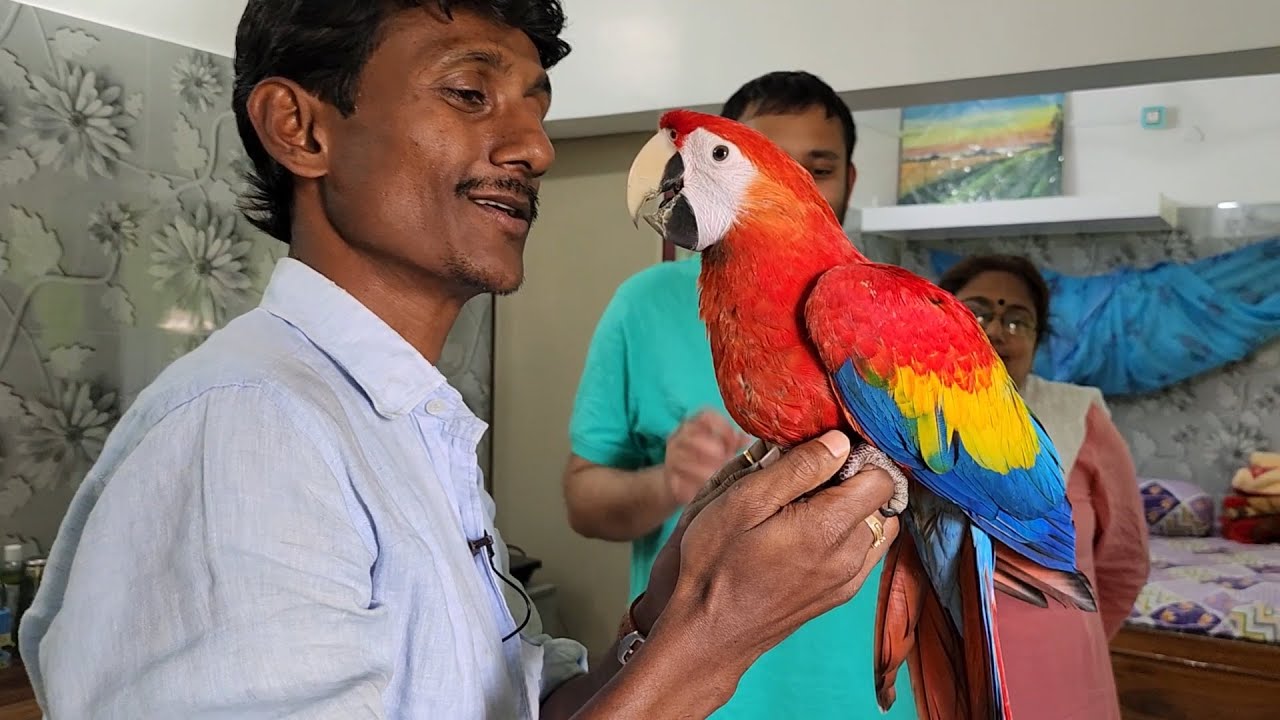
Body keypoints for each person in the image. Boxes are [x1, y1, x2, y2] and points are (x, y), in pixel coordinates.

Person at [17, 2, 904, 718]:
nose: (536, 148)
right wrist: (716, 636)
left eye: (537, 106)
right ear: (301, 128)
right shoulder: (246, 432)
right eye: (471, 95)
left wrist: (672, 607)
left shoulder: (402, 427)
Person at [564, 71, 917, 718]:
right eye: (756, 156)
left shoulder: (886, 308)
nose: (798, 179)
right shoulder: (642, 305)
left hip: (863, 694)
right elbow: (583, 501)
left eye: (819, 166)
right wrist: (668, 483)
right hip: (688, 688)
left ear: (849, 180)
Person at [937, 254, 1150, 720]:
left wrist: (1077, 638)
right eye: (977, 312)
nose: (997, 330)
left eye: (1018, 321)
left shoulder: (1077, 416)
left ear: (1037, 342)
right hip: (939, 665)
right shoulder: (902, 416)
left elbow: (1124, 561)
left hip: (1057, 674)